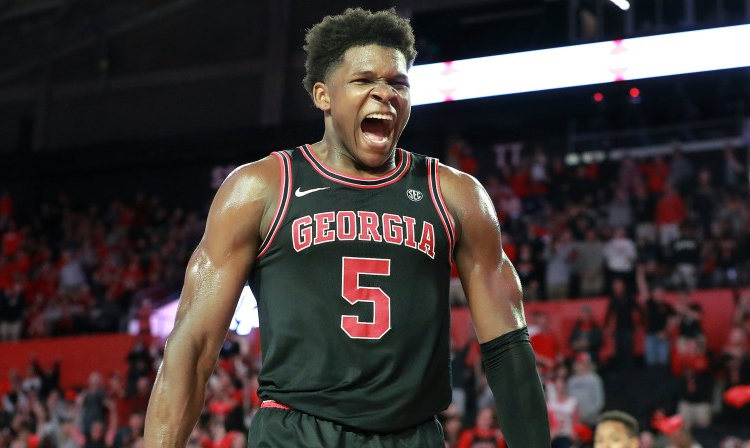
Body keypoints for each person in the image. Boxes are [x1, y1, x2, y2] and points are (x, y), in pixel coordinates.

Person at [144, 7, 549, 448]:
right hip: (296, 432)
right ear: (323, 95)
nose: (384, 94)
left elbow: (508, 346)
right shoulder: (260, 188)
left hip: (411, 435)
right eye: (364, 81)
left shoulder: (455, 195)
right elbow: (193, 347)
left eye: (398, 83)